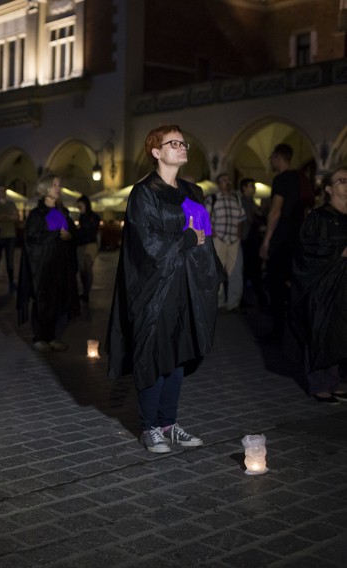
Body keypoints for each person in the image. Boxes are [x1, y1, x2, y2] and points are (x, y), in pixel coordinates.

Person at [107, 125, 223, 453]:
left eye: (183, 142)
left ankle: (169, 423)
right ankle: (149, 427)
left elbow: (205, 236)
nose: (182, 146)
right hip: (154, 289)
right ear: (157, 152)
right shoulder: (144, 193)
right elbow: (147, 244)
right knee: (154, 355)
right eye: (173, 143)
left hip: (187, 285)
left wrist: (212, 274)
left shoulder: (193, 191)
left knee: (178, 353)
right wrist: (186, 238)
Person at [291, 167, 347, 403]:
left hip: (344, 284)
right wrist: (339, 252)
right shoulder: (319, 217)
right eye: (342, 180)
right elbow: (308, 249)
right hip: (321, 285)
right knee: (320, 330)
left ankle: (334, 381)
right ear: (328, 188)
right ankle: (318, 384)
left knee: (339, 332)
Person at [16, 174, 80, 353]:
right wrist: (53, 235)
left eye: (58, 185)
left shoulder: (62, 212)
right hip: (43, 266)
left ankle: (53, 337)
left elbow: (72, 232)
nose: (58, 188)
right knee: (43, 300)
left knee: (59, 300)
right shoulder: (37, 214)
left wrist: (69, 236)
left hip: (61, 264)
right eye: (54, 185)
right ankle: (40, 337)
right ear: (45, 189)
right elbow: (32, 239)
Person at [260, 144, 304, 342]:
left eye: (272, 157)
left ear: (278, 157)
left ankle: (278, 331)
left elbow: (276, 211)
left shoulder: (281, 179)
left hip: (281, 239)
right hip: (298, 238)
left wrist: (267, 241)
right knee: (291, 282)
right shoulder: (301, 178)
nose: (270, 161)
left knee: (275, 284)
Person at [207, 173, 246, 313]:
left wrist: (239, 234)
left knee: (236, 272)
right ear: (218, 183)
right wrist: (213, 234)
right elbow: (206, 217)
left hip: (234, 240)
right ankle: (219, 302)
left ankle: (233, 304)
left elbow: (241, 218)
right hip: (219, 239)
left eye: (228, 179)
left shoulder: (236, 198)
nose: (228, 182)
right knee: (217, 272)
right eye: (224, 180)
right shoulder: (213, 198)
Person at [239, 177, 267, 308]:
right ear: (244, 188)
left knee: (251, 270)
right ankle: (258, 299)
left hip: (252, 239)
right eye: (251, 186)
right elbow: (251, 219)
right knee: (250, 270)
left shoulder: (252, 202)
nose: (254, 189)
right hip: (247, 239)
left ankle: (255, 299)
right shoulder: (243, 202)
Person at [0, 185, 19, 293]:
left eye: (3, 190)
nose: (2, 192)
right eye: (0, 191)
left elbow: (16, 218)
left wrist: (3, 216)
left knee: (10, 260)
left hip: (10, 235)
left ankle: (11, 281)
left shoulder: (11, 203)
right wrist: (9, 216)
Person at [75, 194, 101, 303]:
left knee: (88, 269)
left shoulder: (94, 217)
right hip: (81, 244)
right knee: (82, 269)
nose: (78, 208)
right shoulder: (81, 217)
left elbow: (91, 230)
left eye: (80, 206)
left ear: (85, 204)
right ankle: (85, 291)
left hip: (90, 244)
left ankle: (86, 293)